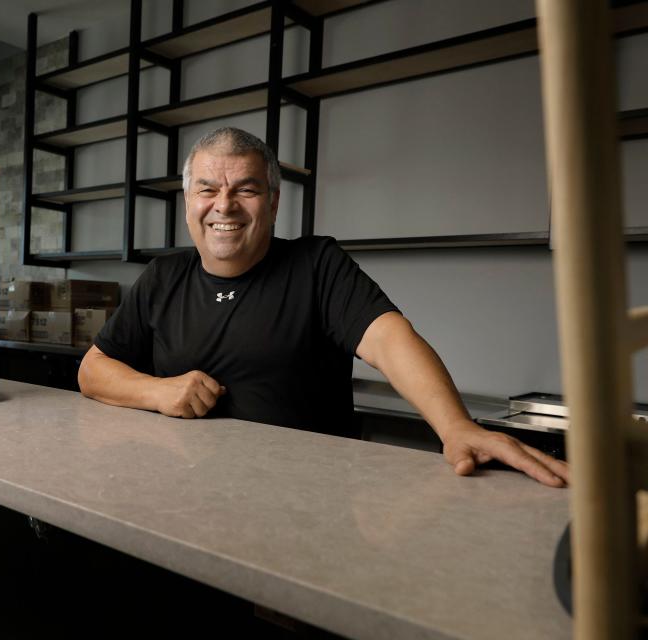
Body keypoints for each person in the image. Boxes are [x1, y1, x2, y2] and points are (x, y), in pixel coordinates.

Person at [78, 126, 569, 488]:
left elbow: (390, 340)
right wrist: (159, 392)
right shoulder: (164, 276)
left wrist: (455, 425)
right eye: (207, 189)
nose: (223, 205)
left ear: (272, 202)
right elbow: (93, 370)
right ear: (189, 201)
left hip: (307, 497)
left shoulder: (316, 264)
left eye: (245, 189)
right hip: (183, 489)